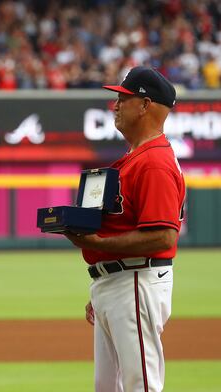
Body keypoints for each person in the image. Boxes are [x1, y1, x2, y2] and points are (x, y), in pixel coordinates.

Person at [64, 66, 186, 392]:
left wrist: (98, 242)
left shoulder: (155, 162)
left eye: (123, 98)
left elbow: (163, 235)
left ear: (145, 105)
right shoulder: (135, 157)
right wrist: (104, 274)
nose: (115, 105)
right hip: (118, 281)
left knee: (139, 385)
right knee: (109, 386)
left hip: (135, 280)